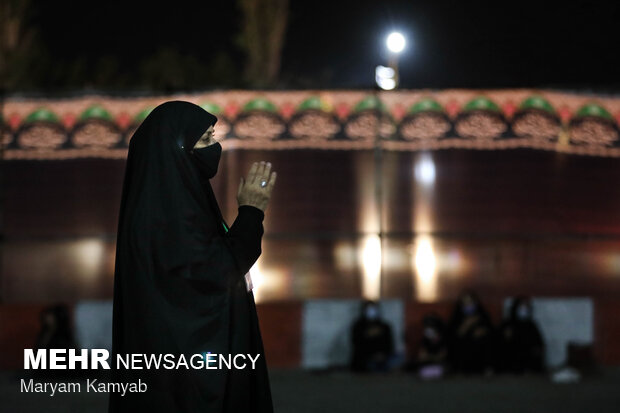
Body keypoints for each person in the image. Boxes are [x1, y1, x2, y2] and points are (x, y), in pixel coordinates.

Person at [109, 101, 276, 413]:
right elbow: (218, 271)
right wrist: (252, 212)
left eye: (214, 136)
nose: (215, 147)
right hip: (186, 377)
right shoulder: (169, 215)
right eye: (205, 140)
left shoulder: (169, 203)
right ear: (177, 148)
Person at [447, 290, 497, 375]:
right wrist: (466, 325)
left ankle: (487, 368)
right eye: (465, 303)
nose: (468, 305)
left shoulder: (482, 314)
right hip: (465, 344)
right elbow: (453, 334)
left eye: (470, 302)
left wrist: (482, 331)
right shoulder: (457, 316)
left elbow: (491, 329)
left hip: (480, 343)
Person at [498, 296, 545, 374]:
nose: (524, 310)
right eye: (521, 307)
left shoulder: (531, 325)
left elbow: (539, 342)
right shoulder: (508, 323)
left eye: (526, 307)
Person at [350, 300, 396, 372]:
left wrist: (383, 354)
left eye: (373, 309)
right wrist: (371, 355)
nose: (371, 312)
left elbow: (389, 343)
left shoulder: (384, 326)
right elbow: (357, 344)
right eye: (369, 309)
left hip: (383, 356)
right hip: (365, 358)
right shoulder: (358, 326)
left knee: (397, 359)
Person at [414, 314, 448, 379]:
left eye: (430, 327)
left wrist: (429, 357)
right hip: (427, 366)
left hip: (440, 366)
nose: (427, 330)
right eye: (426, 327)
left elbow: (442, 356)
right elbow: (422, 356)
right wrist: (432, 357)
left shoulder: (444, 339)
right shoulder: (425, 340)